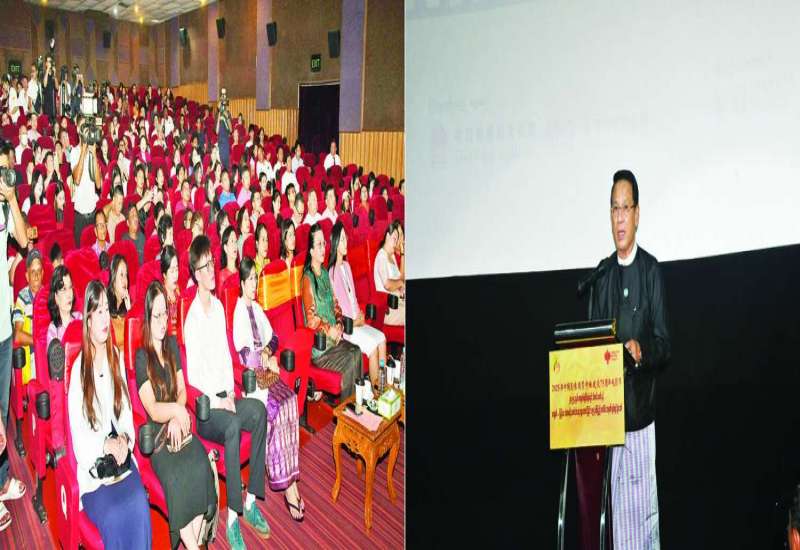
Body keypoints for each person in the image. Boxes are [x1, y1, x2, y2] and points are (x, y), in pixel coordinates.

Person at [579, 170, 671, 550]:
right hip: (608, 422)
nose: (619, 218)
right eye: (613, 209)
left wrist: (641, 351)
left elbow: (664, 344)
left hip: (639, 418)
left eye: (625, 208)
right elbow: (589, 346)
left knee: (643, 525)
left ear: (637, 214)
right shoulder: (602, 275)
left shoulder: (651, 271)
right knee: (617, 526)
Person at [185, 235, 269, 548]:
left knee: (258, 411)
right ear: (195, 274)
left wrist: (232, 392)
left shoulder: (220, 307)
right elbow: (194, 377)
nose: (211, 271)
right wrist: (220, 400)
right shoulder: (192, 318)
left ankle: (250, 501)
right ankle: (233, 518)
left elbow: (224, 357)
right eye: (204, 267)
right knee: (233, 425)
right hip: (207, 410)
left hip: (225, 396)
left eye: (212, 264)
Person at [67, 280, 152, 548]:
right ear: (88, 320)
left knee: (139, 504)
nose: (105, 318)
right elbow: (79, 441)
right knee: (115, 515)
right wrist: (105, 445)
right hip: (95, 471)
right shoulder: (79, 371)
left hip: (120, 459)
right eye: (99, 312)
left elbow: (125, 410)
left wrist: (125, 438)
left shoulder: (115, 356)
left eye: (107, 310)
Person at [135, 281, 217, 549]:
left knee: (201, 465)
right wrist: (176, 411)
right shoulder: (141, 357)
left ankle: (195, 543)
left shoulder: (171, 345)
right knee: (178, 479)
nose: (163, 321)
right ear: (148, 318)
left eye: (165, 313)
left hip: (179, 424)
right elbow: (152, 408)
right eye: (156, 315)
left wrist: (177, 414)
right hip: (160, 437)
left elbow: (182, 390)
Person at [232, 257, 305, 521]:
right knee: (280, 407)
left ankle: (291, 479)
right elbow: (244, 355)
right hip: (252, 382)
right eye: (250, 280)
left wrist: (268, 352)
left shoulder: (257, 308)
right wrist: (262, 357)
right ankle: (286, 486)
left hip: (267, 374)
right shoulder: (239, 313)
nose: (254, 284)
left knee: (291, 400)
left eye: (256, 279)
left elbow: (274, 337)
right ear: (242, 283)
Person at [0, 141, 30, 530]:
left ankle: (2, 477)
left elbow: (23, 241)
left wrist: (11, 199)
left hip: (4, 326)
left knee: (2, 409)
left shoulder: (6, 206)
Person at [301, 224, 362, 398]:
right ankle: (347, 409)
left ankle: (354, 405)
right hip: (321, 349)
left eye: (324, 244)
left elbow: (336, 305)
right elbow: (311, 320)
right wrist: (330, 330)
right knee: (350, 360)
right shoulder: (308, 279)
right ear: (311, 251)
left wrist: (340, 323)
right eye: (319, 244)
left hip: (335, 340)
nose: (323, 248)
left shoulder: (325, 273)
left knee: (356, 351)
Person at [329, 223, 386, 386]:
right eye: (342, 240)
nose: (345, 242)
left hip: (357, 322)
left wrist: (360, 313)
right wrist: (355, 322)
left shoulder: (347, 266)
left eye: (345, 238)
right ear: (335, 244)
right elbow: (336, 313)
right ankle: (376, 390)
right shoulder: (331, 273)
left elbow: (352, 297)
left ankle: (383, 385)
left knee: (382, 338)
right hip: (348, 329)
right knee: (373, 347)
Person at [12, 249, 44, 381]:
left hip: (48, 354)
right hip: (31, 358)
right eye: (32, 272)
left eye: (39, 271)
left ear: (43, 273)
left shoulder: (48, 295)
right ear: (27, 276)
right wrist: (39, 342)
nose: (36, 276)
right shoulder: (22, 298)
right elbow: (17, 336)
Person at [70, 133, 102, 248]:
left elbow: (98, 184)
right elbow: (77, 179)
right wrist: (83, 151)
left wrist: (93, 154)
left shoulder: (91, 152)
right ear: (79, 131)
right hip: (80, 217)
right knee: (81, 252)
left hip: (93, 213)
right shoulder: (74, 152)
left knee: (94, 250)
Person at [374, 221, 405, 326]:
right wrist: (400, 283)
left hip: (398, 301)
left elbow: (400, 278)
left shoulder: (391, 256)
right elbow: (387, 284)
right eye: (394, 239)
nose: (396, 243)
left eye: (397, 240)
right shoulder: (381, 256)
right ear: (387, 236)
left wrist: (402, 253)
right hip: (388, 309)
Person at [46, 265, 81, 349]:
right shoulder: (53, 330)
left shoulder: (80, 318)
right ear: (56, 297)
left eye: (70, 287)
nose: (69, 294)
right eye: (64, 289)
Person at [107, 254, 131, 350]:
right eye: (121, 275)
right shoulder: (105, 307)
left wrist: (130, 312)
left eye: (126, 275)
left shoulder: (129, 306)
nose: (125, 280)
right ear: (113, 279)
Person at [159, 246, 181, 338]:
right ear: (164, 274)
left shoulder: (179, 292)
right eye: (172, 271)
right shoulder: (160, 297)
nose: (176, 275)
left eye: (177, 269)